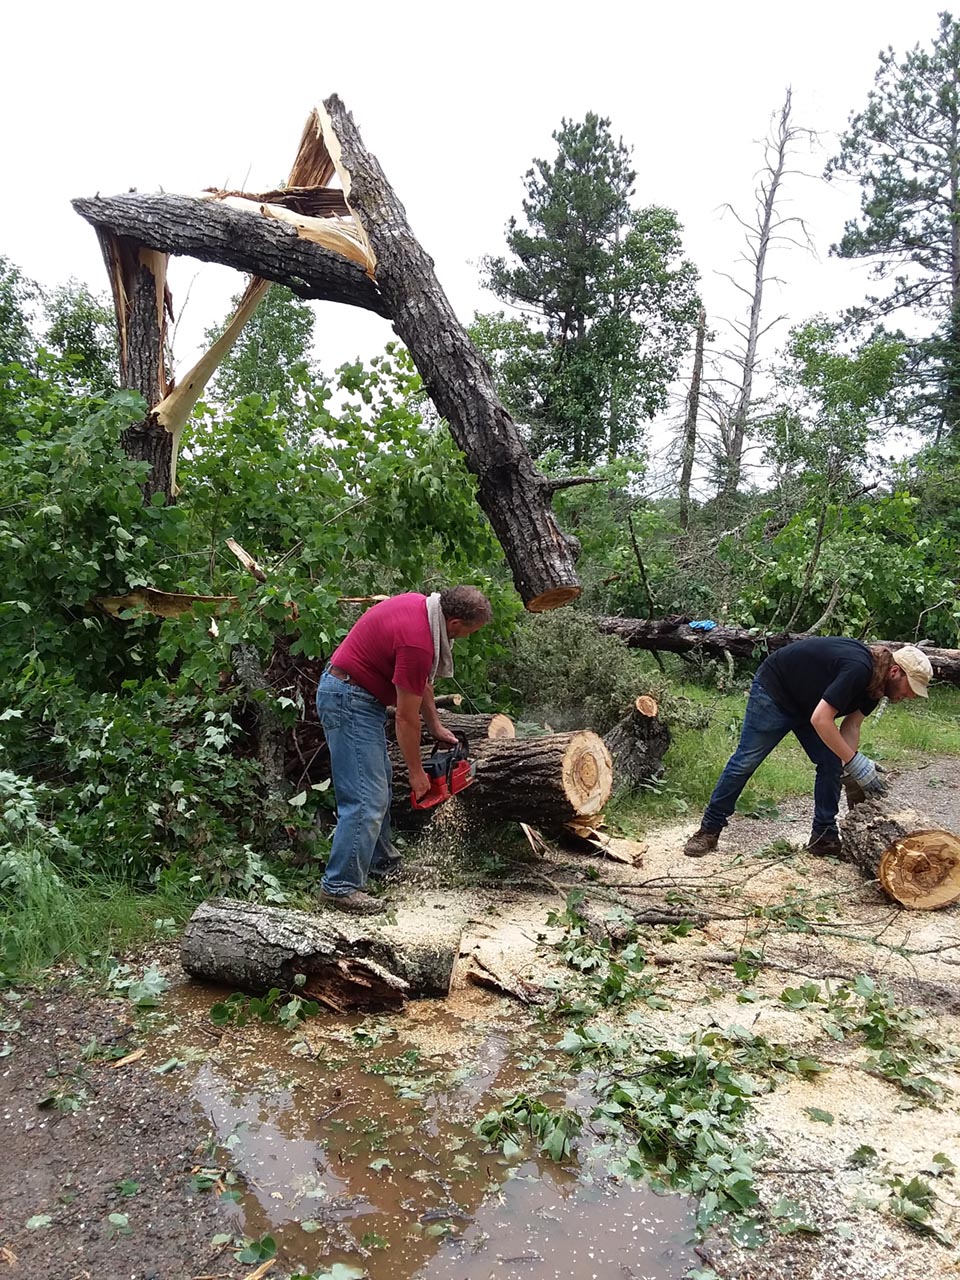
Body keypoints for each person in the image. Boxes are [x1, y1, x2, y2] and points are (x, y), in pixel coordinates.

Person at [315, 586, 492, 913]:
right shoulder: (418, 641)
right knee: (367, 798)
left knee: (376, 784)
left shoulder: (422, 609)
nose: (468, 637)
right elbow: (406, 719)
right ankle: (339, 886)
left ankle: (382, 864)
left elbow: (420, 682)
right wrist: (416, 774)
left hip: (356, 696)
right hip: (349, 699)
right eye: (470, 631)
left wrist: (436, 726)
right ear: (454, 623)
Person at [683, 640, 933, 859]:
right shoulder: (859, 669)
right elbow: (821, 720)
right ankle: (709, 830)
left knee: (831, 763)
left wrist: (849, 768)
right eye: (910, 687)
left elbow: (851, 725)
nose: (910, 696)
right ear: (895, 672)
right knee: (745, 762)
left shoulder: (875, 688)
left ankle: (823, 837)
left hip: (811, 706)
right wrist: (855, 761)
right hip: (776, 692)